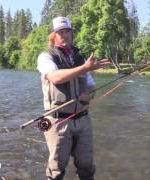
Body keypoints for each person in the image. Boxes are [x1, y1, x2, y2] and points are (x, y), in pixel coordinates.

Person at [37, 16, 110, 180]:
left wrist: (89, 96)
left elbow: (91, 87)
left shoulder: (80, 58)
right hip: (58, 122)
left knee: (87, 168)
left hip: (83, 120)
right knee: (56, 171)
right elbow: (55, 77)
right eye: (60, 32)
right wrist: (84, 68)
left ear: (72, 33)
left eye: (67, 31)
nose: (64, 35)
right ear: (53, 36)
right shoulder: (46, 57)